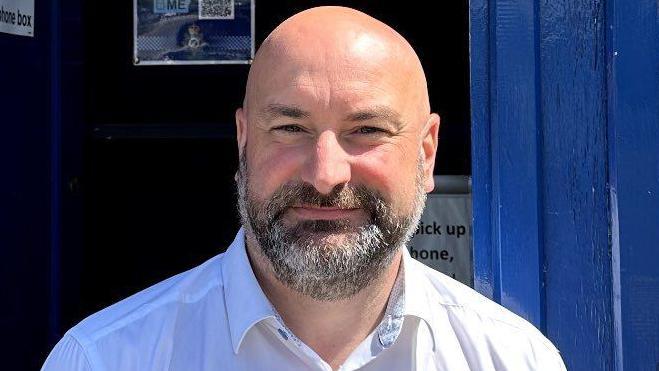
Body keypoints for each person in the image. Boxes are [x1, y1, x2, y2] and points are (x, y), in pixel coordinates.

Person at [42, 6, 566, 371]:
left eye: (367, 131)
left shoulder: (513, 360)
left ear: (426, 152)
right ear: (244, 141)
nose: (326, 173)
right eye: (291, 129)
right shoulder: (105, 359)